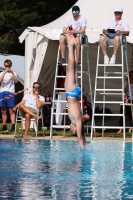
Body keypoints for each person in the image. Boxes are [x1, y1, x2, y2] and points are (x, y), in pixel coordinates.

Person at [64, 33, 86, 149]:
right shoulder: (78, 120)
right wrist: (83, 149)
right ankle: (71, 45)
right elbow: (79, 137)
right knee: (71, 67)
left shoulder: (78, 118)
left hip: (76, 92)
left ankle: (77, 44)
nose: (70, 128)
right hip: (71, 92)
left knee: (75, 66)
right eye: (71, 130)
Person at [0, 59, 18, 132]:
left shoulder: (14, 73)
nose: (7, 67)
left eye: (8, 66)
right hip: (2, 92)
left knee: (11, 110)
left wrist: (12, 73)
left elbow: (16, 81)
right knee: (3, 110)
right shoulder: (1, 73)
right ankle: (4, 126)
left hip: (11, 92)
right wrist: (4, 72)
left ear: (11, 66)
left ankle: (13, 126)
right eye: (5, 65)